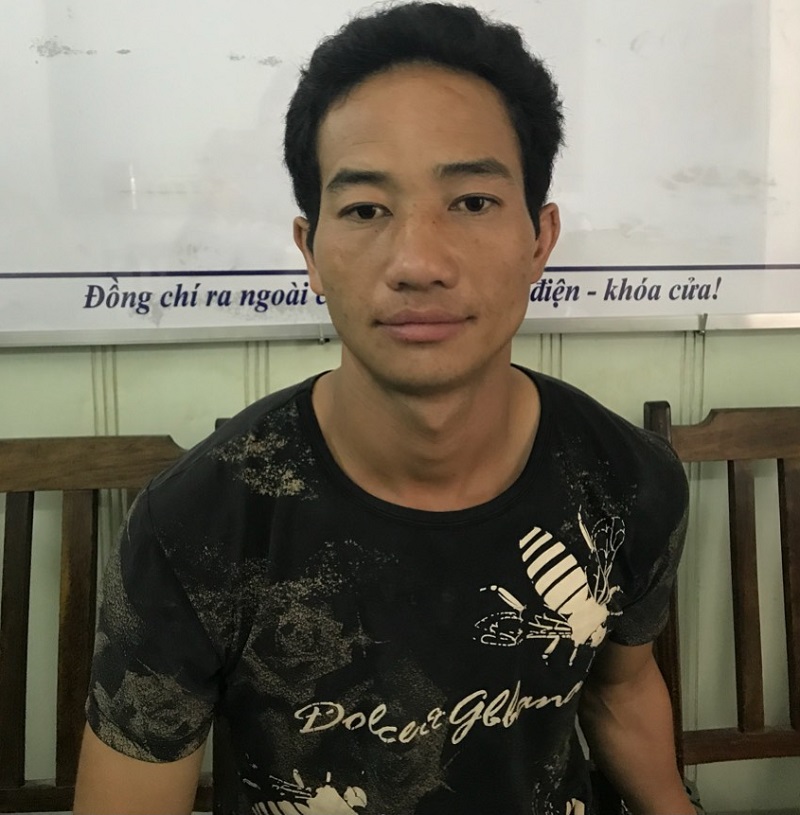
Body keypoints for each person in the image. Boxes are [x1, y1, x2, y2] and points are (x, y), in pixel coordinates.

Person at [73, 3, 695, 813]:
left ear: (540, 240)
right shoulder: (195, 525)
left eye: (472, 201)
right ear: (310, 251)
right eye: (366, 209)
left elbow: (621, 689)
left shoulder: (628, 482)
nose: (418, 261)